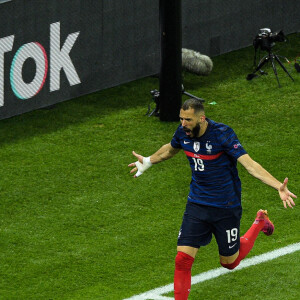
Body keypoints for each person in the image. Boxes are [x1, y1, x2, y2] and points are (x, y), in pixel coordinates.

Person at [128, 99, 296, 300]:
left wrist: (278, 185)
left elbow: (250, 165)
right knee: (182, 259)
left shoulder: (222, 134)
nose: (183, 124)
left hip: (225, 206)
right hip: (197, 204)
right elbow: (169, 150)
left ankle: (259, 223)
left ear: (202, 118)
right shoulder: (183, 132)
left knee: (229, 263)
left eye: (188, 120)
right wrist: (148, 161)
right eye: (181, 119)